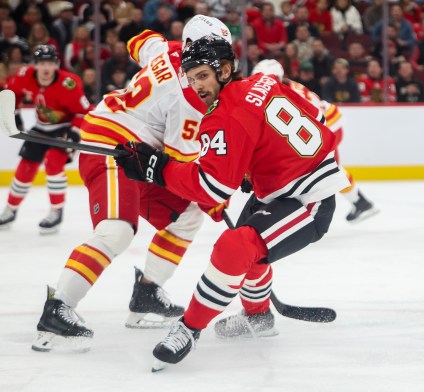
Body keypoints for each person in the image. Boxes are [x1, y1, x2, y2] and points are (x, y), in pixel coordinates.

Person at [112, 35, 350, 368]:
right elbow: (316, 118)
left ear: (224, 70)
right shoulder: (260, 84)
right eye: (191, 78)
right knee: (250, 250)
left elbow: (211, 190)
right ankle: (259, 317)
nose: (196, 85)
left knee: (236, 246)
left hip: (308, 200)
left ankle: (189, 329)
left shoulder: (224, 116)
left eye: (203, 76)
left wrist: (157, 169)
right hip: (281, 188)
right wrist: (257, 168)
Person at [31, 17, 232, 353]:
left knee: (188, 214)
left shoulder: (168, 50)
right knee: (118, 230)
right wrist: (213, 196)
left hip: (135, 156)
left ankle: (147, 293)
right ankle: (58, 306)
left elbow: (141, 40)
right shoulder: (190, 100)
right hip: (112, 147)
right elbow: (178, 163)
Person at [253, 59, 379, 223]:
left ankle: (361, 202)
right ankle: (360, 202)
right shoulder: (283, 87)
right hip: (327, 125)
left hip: (328, 127)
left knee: (328, 169)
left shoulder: (284, 92)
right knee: (325, 169)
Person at [0, 45, 91, 233]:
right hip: (40, 128)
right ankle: (10, 209)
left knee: (53, 165)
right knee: (25, 168)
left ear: (57, 65)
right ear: (35, 65)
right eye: (42, 63)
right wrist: (14, 112)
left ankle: (56, 212)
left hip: (64, 130)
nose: (46, 68)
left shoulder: (70, 83)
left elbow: (83, 112)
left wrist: (74, 134)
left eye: (50, 63)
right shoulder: (25, 74)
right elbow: (10, 93)